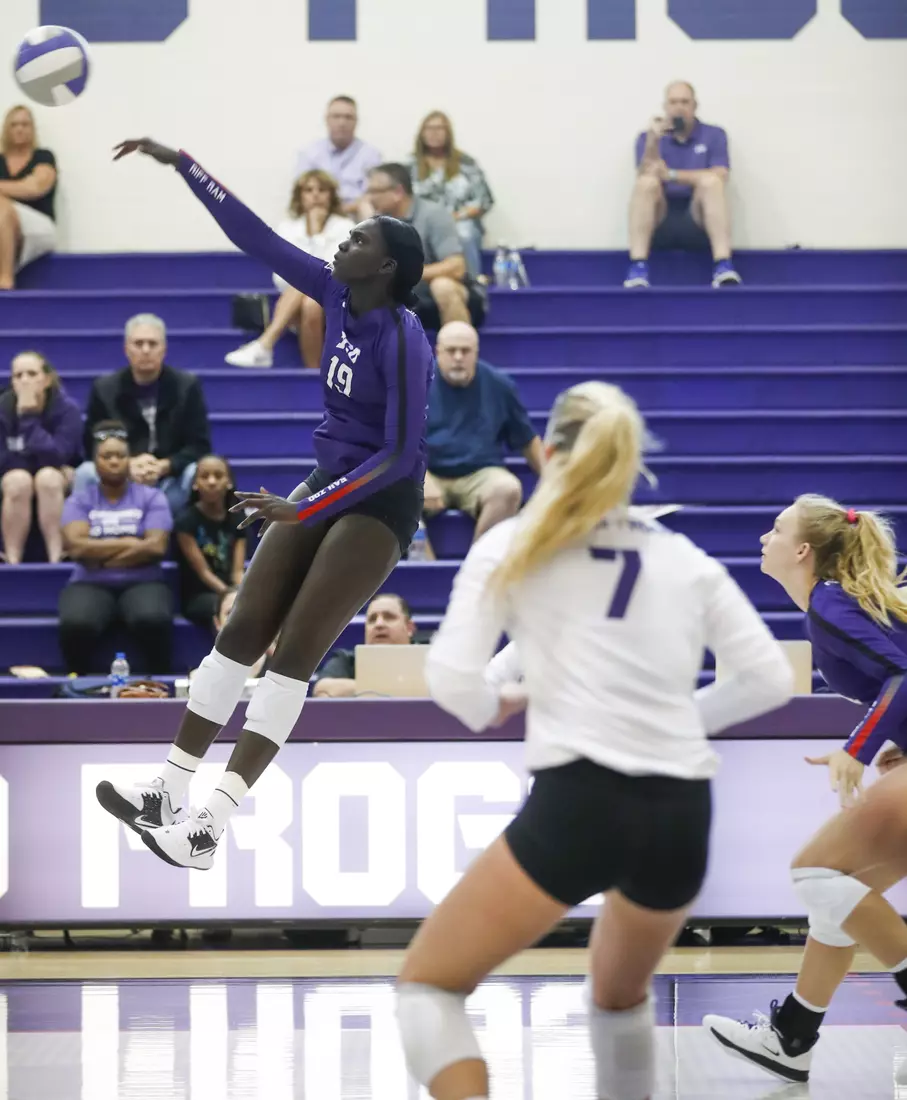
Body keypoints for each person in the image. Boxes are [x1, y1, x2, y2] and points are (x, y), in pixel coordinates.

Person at [393, 380, 793, 1100]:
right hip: (682, 812)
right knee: (617, 999)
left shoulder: (515, 545)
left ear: (544, 455)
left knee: (427, 988)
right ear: (627, 460)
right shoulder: (683, 557)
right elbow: (767, 678)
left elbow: (451, 680)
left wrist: (496, 703)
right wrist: (673, 722)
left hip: (581, 799)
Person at [94, 137, 432, 868]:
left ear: (387, 267)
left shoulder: (406, 340)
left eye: (361, 236)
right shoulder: (337, 290)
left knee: (292, 657)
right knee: (241, 627)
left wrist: (308, 509)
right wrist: (184, 163)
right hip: (324, 482)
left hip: (381, 503)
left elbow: (401, 456)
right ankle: (167, 790)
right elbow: (255, 236)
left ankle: (208, 827)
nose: (345, 236)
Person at [702, 495, 907, 1085]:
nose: (764, 536)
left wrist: (858, 747)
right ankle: (793, 1036)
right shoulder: (839, 602)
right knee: (839, 892)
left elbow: (902, 675)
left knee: (820, 876)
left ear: (801, 551)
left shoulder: (830, 603)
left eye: (776, 528)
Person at [59, 421, 173, 675]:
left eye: (120, 456)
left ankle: (161, 680)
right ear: (95, 462)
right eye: (106, 456)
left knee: (152, 618)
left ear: (129, 460)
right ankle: (76, 681)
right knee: (77, 622)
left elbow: (156, 547)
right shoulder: (79, 500)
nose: (113, 461)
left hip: (143, 580)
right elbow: (76, 547)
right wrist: (131, 544)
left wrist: (101, 556)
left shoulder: (152, 497)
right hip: (90, 582)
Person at [75, 314, 211, 515]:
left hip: (170, 478)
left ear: (163, 349)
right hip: (119, 475)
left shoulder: (187, 387)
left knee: (198, 471)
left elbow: (200, 445)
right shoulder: (104, 389)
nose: (145, 350)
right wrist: (126, 464)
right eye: (138, 344)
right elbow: (92, 445)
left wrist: (165, 465)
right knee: (84, 473)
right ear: (126, 349)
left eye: (152, 343)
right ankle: (83, 538)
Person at [424, 322, 543, 542]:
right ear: (437, 351)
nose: (458, 357)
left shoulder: (499, 385)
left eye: (465, 351)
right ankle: (426, 570)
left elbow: (527, 439)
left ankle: (479, 564)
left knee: (508, 489)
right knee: (398, 490)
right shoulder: (412, 383)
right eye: (451, 351)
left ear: (476, 352)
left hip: (480, 473)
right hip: (427, 470)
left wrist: (554, 481)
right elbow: (393, 441)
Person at [225, 170, 354, 369]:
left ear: (331, 196)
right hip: (300, 301)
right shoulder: (288, 228)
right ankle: (316, 374)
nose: (316, 195)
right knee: (310, 302)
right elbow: (280, 276)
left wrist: (317, 234)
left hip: (339, 299)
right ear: (300, 196)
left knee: (308, 287)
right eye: (309, 190)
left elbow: (333, 271)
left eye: (322, 190)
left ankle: (265, 343)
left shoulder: (345, 227)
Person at [625, 81, 741, 290]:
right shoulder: (647, 137)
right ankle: (638, 267)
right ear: (665, 107)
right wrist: (653, 141)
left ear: (695, 105)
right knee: (646, 184)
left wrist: (670, 174)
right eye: (673, 102)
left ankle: (723, 265)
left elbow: (721, 175)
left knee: (712, 182)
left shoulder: (714, 135)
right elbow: (644, 176)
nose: (679, 107)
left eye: (685, 102)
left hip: (698, 217)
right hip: (659, 218)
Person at [366, 164, 486, 331]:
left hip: (446, 296)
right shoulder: (377, 221)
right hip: (405, 299)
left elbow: (457, 267)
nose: (370, 198)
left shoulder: (433, 214)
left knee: (442, 286)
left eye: (375, 191)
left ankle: (458, 348)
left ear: (398, 192)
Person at [0, 351, 81, 564]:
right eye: (18, 376)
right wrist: (32, 464)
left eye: (31, 374)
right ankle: (11, 558)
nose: (25, 380)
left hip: (55, 478)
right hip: (13, 479)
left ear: (46, 380)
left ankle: (58, 556)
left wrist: (28, 419)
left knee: (47, 478)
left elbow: (60, 455)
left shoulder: (66, 409)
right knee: (19, 479)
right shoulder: (2, 409)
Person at [407, 111, 494, 280]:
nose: (434, 132)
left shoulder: (466, 163)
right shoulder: (410, 165)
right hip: (423, 222)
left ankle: (471, 284)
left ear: (448, 133)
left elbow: (484, 200)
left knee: (464, 232)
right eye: (429, 128)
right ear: (421, 133)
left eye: (440, 128)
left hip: (460, 220)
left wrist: (454, 217)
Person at [174, 455, 246, 629]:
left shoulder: (237, 517)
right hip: (200, 595)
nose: (212, 481)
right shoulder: (185, 521)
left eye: (218, 476)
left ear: (229, 482)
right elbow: (203, 572)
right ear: (195, 484)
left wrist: (240, 592)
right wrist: (229, 596)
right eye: (204, 476)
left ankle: (271, 655)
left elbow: (237, 571)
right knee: (229, 609)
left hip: (231, 590)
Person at [312, 592, 416, 698]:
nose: (379, 624)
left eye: (389, 617)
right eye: (372, 619)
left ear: (409, 628)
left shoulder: (429, 659)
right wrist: (399, 689)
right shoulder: (347, 660)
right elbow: (322, 690)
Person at [294, 96, 382, 220]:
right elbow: (300, 193)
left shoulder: (370, 155)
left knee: (367, 207)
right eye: (336, 116)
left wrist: (340, 211)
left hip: (355, 219)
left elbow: (373, 195)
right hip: (317, 217)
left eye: (348, 117)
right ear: (327, 120)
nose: (342, 123)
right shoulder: (309, 153)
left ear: (356, 121)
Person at [0, 105, 57, 290]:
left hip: (40, 227)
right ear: (6, 129)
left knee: (1, 205)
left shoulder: (43, 157)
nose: (19, 129)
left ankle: (5, 280)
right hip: (6, 228)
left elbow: (35, 188)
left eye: (25, 124)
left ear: (32, 129)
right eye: (14, 124)